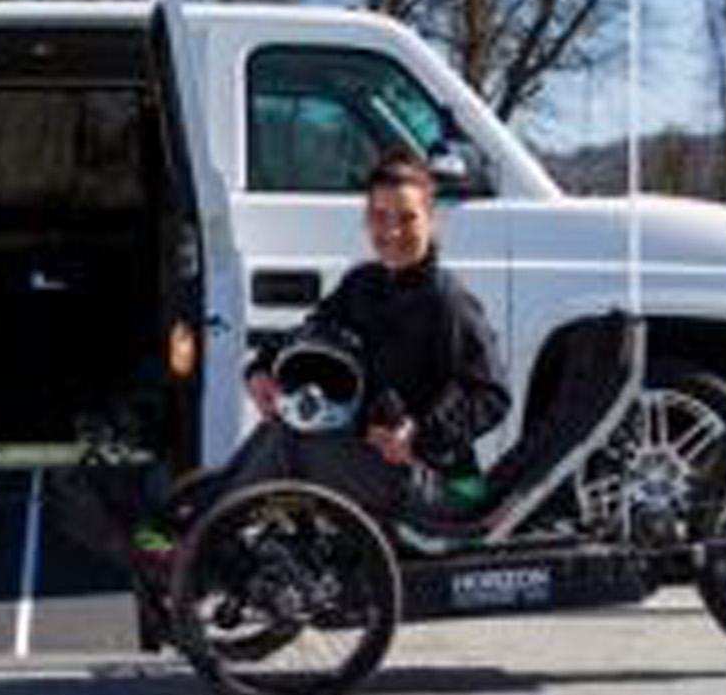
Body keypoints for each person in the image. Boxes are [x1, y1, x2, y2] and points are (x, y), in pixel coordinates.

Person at [135, 148, 512, 558]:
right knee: (284, 422)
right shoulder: (364, 285)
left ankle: (201, 539)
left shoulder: (448, 302)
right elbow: (310, 335)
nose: (393, 231)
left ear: (431, 219)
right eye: (380, 217)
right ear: (367, 220)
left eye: (407, 218)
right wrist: (262, 371)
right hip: (373, 461)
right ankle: (188, 525)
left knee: (296, 445)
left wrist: (418, 432)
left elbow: (491, 395)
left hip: (438, 480)